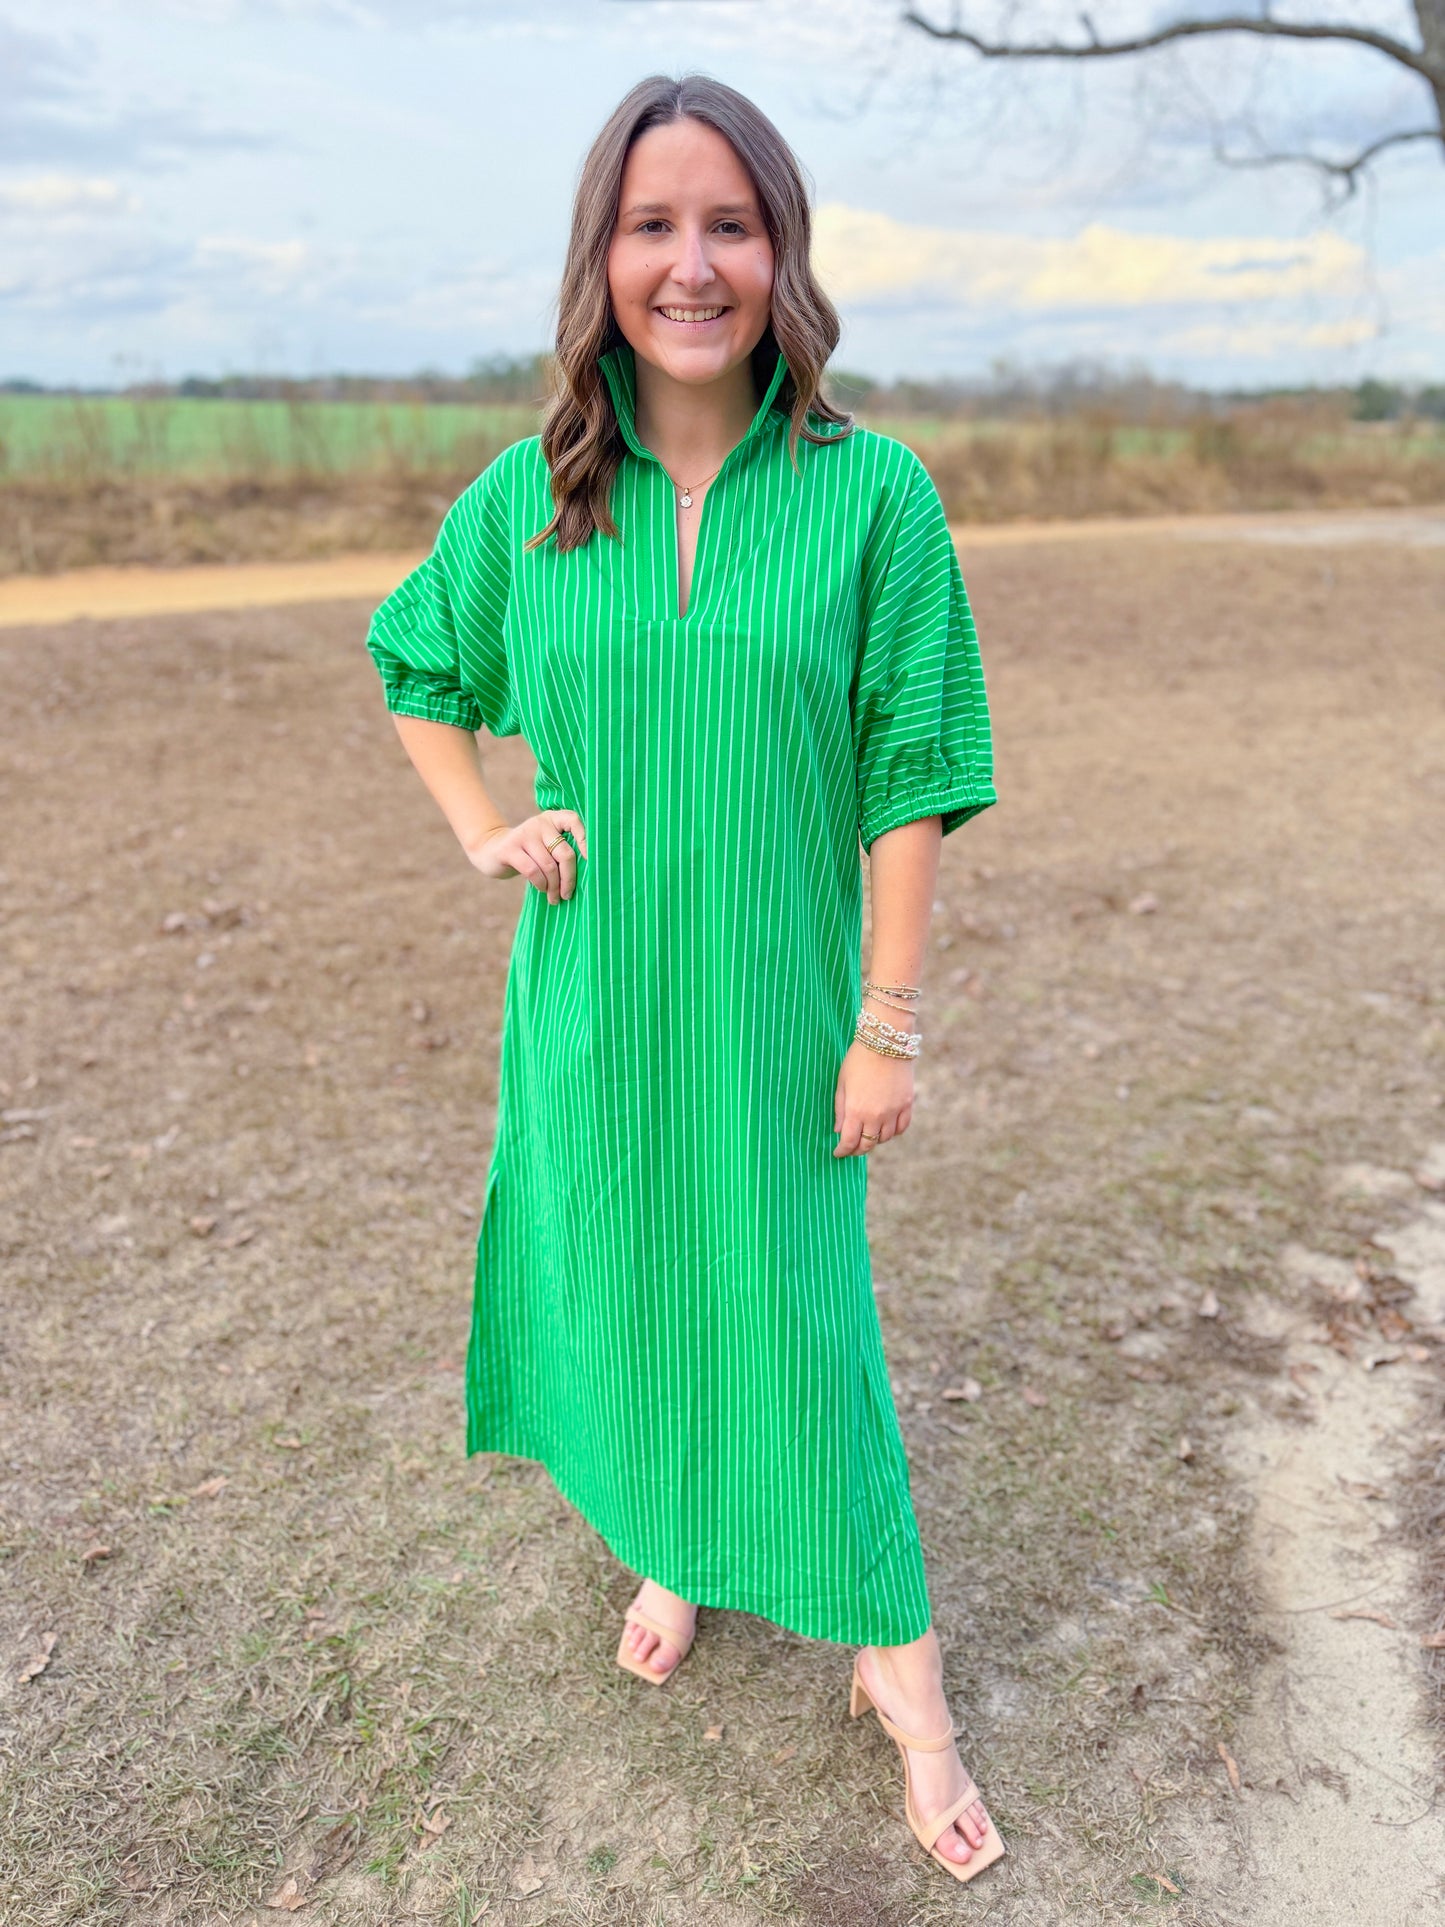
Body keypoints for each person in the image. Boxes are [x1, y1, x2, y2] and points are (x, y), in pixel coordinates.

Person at [365, 73, 1003, 1885]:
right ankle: (676, 1541)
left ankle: (906, 1678)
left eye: (729, 221)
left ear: (779, 252)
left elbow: (909, 767)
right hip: (591, 999)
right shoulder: (539, 492)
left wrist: (886, 1022)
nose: (692, 262)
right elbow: (417, 660)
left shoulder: (871, 493)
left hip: (784, 1007)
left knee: (803, 1332)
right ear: (603, 256)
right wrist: (479, 824)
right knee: (632, 1279)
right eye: (653, 224)